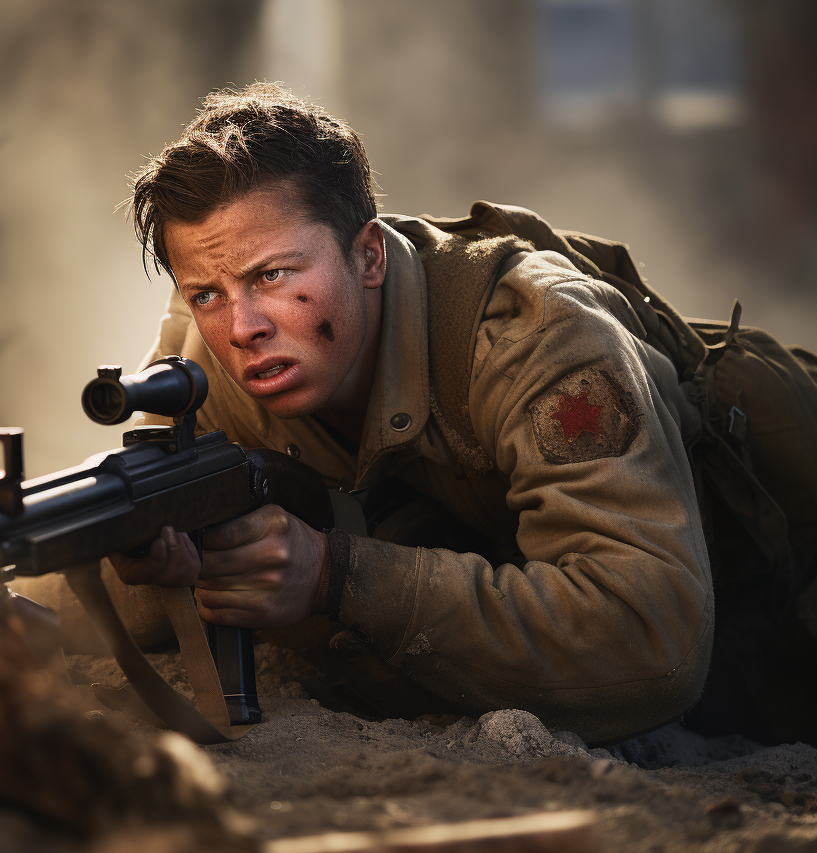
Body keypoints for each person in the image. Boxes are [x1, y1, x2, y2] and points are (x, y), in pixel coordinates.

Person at [104, 83, 815, 747]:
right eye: (206, 293)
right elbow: (110, 562)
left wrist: (334, 576)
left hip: (780, 593)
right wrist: (171, 563)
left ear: (370, 256)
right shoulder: (201, 360)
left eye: (274, 275)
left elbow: (653, 644)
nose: (241, 326)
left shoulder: (535, 340)